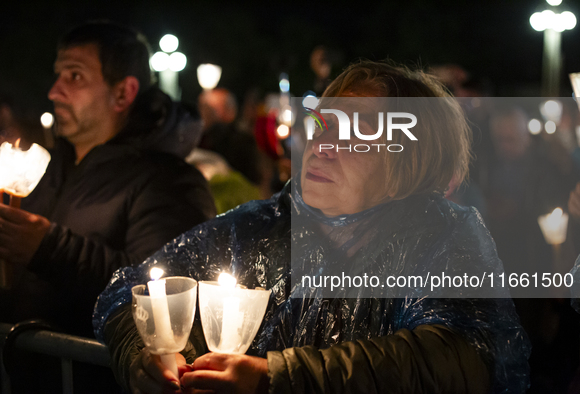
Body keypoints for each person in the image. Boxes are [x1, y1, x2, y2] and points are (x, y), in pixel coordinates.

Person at [94, 60, 530, 393]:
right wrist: (149, 352)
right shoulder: (256, 228)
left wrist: (276, 378)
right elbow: (130, 291)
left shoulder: (445, 236)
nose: (323, 146)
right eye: (323, 123)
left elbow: (459, 354)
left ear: (411, 157)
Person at [0, 21, 216, 337]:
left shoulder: (169, 181)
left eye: (75, 76)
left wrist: (48, 248)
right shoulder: (56, 168)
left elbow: (166, 293)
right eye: (58, 75)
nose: (54, 91)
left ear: (122, 93)